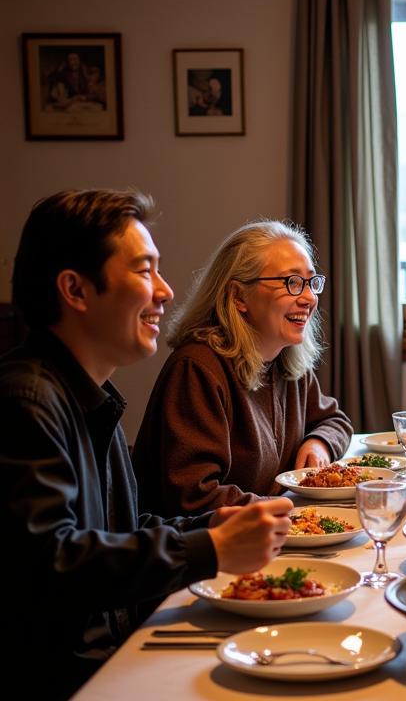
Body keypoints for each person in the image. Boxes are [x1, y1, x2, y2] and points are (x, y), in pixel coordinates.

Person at [0, 191, 292, 701]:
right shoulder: (25, 402)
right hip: (63, 700)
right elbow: (53, 563)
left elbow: (126, 525)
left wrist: (223, 532)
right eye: (143, 270)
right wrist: (209, 548)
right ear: (75, 289)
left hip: (111, 656)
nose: (164, 290)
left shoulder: (89, 394)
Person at [133, 221, 353, 516]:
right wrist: (294, 512)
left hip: (267, 538)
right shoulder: (197, 368)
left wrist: (319, 443)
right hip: (210, 553)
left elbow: (335, 419)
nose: (309, 298)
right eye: (292, 283)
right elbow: (192, 497)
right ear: (238, 297)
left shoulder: (286, 360)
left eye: (311, 283)